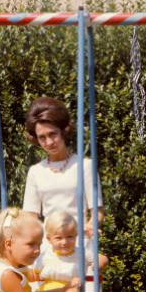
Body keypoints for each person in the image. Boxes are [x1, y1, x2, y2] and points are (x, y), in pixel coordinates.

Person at [23, 96, 104, 235]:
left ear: (63, 130)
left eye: (52, 134)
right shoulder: (35, 172)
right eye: (42, 137)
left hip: (80, 239)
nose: (49, 142)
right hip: (48, 242)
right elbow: (30, 218)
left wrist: (88, 228)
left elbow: (98, 213)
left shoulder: (85, 166)